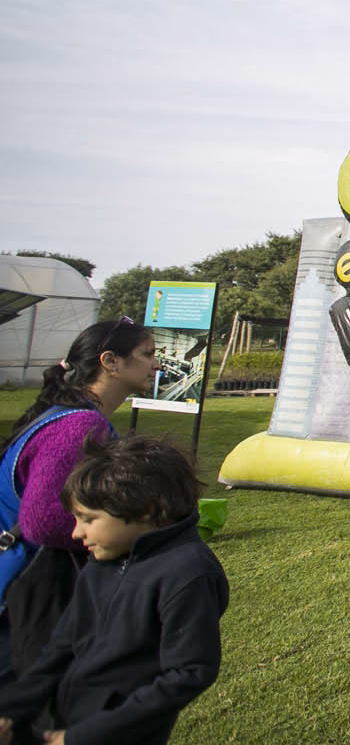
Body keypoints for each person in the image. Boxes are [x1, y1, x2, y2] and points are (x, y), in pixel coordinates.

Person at [0, 434, 228, 745]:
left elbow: (189, 672)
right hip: (60, 720)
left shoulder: (189, 573)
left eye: (88, 519)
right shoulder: (103, 559)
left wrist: (83, 736)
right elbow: (62, 647)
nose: (76, 532)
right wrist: (12, 711)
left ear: (147, 510)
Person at [0, 318, 149, 683]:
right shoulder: (78, 426)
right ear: (110, 362)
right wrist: (132, 533)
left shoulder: (70, 415)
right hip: (24, 596)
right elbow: (44, 521)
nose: (157, 364)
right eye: (147, 354)